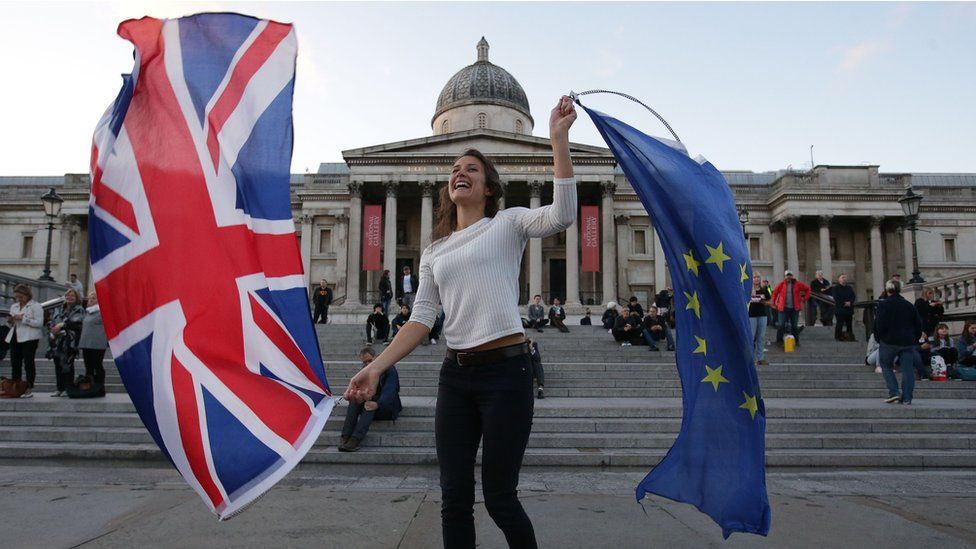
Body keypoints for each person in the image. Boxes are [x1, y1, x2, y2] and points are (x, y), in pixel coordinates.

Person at [344, 96, 577, 549]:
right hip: (456, 376)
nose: (460, 173)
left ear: (489, 186)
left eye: (472, 168)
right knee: (453, 497)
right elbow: (421, 319)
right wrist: (377, 367)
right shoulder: (433, 252)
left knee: (500, 497)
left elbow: (563, 214)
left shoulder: (508, 223)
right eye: (455, 168)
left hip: (507, 371)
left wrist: (557, 140)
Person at [339, 346, 401, 452]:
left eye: (370, 361)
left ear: (376, 357)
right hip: (371, 402)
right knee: (354, 402)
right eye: (365, 362)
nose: (368, 364)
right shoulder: (365, 371)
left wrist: (377, 404)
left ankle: (355, 439)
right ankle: (345, 437)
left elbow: (390, 391)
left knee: (370, 405)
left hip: (386, 407)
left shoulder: (389, 369)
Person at [874, 279, 922, 405]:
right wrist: (914, 339)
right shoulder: (909, 305)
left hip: (889, 341)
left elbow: (878, 324)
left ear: (887, 290)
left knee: (885, 365)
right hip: (907, 341)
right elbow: (918, 325)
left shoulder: (883, 304)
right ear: (900, 289)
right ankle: (907, 398)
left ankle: (894, 392)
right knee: (908, 369)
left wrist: (880, 338)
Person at [2, 284, 43, 398]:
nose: (18, 299)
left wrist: (23, 319)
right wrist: (10, 321)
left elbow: (39, 323)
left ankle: (29, 387)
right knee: (15, 362)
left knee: (28, 362)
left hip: (30, 338)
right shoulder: (14, 306)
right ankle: (16, 386)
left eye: (21, 297)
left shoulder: (35, 306)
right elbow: (11, 324)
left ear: (27, 295)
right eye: (16, 297)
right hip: (15, 336)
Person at [48, 288, 86, 397]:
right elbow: (52, 321)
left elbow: (78, 325)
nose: (70, 297)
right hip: (57, 341)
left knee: (67, 365)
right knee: (57, 364)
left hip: (70, 341)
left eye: (72, 296)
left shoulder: (79, 310)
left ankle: (68, 388)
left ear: (76, 298)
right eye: (68, 295)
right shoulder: (59, 309)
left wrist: (63, 325)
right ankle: (59, 388)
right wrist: (52, 328)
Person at [78, 292, 108, 397]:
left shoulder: (102, 312)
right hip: (86, 343)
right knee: (88, 367)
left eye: (93, 298)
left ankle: (100, 387)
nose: (90, 300)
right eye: (90, 298)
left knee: (97, 365)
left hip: (97, 344)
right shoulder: (88, 312)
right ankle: (90, 387)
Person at [771, 270, 810, 345]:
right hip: (783, 308)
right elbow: (774, 293)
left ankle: (796, 341)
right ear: (785, 276)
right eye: (787, 275)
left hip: (794, 309)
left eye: (790, 275)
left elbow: (808, 289)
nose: (788, 277)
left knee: (794, 326)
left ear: (792, 276)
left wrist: (804, 298)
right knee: (781, 325)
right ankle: (779, 340)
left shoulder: (798, 284)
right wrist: (773, 303)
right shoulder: (781, 284)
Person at [749, 273, 771, 365]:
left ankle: (760, 358)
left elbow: (770, 301)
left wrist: (764, 302)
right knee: (752, 337)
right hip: (751, 316)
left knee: (761, 337)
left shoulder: (764, 289)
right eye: (754, 277)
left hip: (762, 315)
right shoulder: (748, 289)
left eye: (758, 277)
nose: (756, 279)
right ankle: (751, 358)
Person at [830, 274, 857, 341]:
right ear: (839, 279)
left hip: (849, 309)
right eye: (842, 277)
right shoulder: (835, 288)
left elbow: (853, 296)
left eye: (845, 277)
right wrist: (844, 303)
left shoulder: (849, 288)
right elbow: (836, 297)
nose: (844, 279)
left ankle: (850, 337)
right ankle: (838, 337)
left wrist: (850, 302)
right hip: (840, 309)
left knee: (849, 324)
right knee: (839, 324)